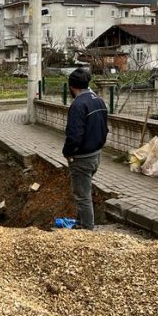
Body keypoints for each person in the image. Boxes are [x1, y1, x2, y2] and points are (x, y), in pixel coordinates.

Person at [61, 67, 108, 230]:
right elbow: (105, 128)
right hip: (96, 155)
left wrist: (67, 152)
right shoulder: (99, 100)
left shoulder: (78, 105)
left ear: (72, 87)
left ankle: (87, 229)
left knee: (82, 195)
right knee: (83, 191)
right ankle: (80, 223)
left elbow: (74, 135)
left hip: (82, 157)